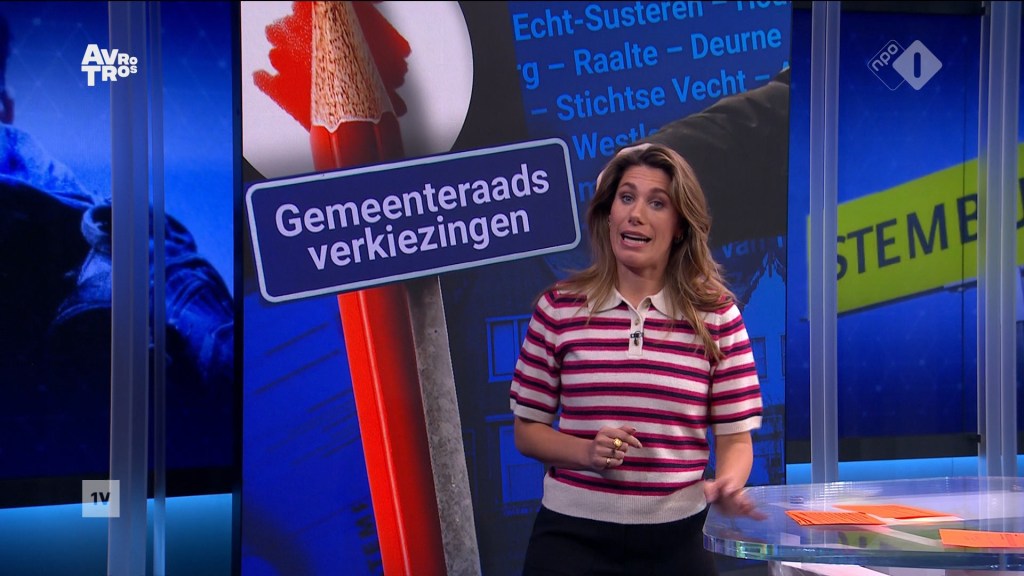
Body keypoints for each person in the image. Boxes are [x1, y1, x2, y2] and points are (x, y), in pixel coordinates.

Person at [509, 142, 764, 576]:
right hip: (570, 538)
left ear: (680, 226)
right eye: (626, 198)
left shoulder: (717, 316)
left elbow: (736, 440)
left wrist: (728, 483)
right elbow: (527, 432)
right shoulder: (558, 309)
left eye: (657, 203)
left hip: (678, 540)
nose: (635, 214)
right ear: (608, 214)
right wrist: (587, 452)